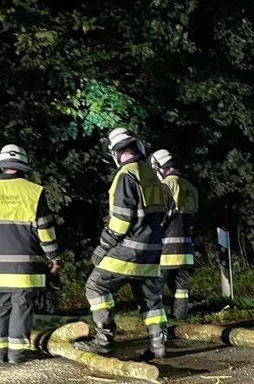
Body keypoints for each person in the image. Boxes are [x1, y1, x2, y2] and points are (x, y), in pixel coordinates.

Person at [79, 128, 167, 359]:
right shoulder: (151, 175)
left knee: (96, 286)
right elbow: (164, 212)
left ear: (115, 153)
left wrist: (103, 247)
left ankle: (103, 340)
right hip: (152, 251)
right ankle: (158, 345)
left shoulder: (125, 176)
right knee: (151, 300)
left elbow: (120, 221)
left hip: (128, 250)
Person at [0, 144, 60, 364]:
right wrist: (53, 257)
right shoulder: (34, 192)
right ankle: (17, 354)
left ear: (1, 165)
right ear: (23, 166)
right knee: (21, 309)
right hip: (25, 268)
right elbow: (45, 230)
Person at [149, 148, 199, 321]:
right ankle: (180, 317)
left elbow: (160, 217)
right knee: (181, 288)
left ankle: (157, 320)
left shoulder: (166, 186)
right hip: (186, 249)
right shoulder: (190, 187)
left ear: (159, 167)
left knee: (155, 287)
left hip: (166, 250)